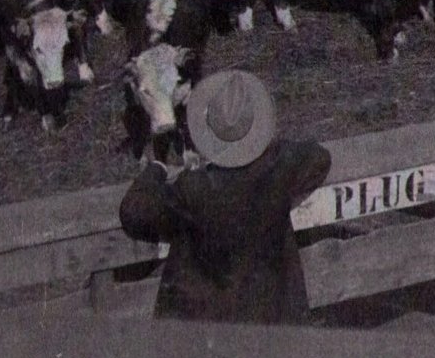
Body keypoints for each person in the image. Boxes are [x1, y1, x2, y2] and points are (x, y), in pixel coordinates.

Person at [116, 71, 331, 324]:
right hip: (272, 320)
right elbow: (319, 157)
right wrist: (265, 149)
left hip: (209, 327)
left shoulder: (193, 189)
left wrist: (157, 167)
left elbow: (133, 212)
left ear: (209, 133)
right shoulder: (279, 170)